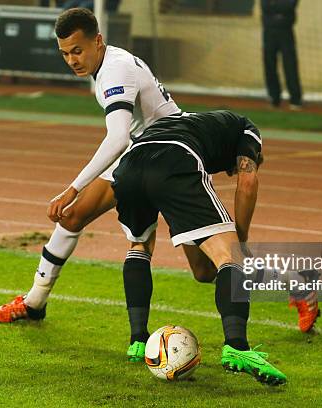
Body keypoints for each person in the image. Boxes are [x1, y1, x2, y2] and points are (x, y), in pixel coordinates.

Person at [0, 8, 182, 363]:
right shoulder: (107, 65)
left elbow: (118, 136)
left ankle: (295, 288)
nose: (72, 60)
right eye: (65, 53)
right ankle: (34, 303)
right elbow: (126, 139)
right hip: (140, 155)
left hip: (171, 157)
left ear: (97, 41)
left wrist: (73, 186)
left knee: (206, 265)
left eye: (77, 50)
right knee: (72, 217)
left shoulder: (114, 71)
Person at [111, 110, 290, 385]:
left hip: (129, 166)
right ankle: (238, 347)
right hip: (175, 161)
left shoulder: (194, 124)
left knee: (140, 245)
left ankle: (137, 341)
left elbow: (202, 272)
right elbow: (248, 181)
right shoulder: (247, 130)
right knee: (231, 257)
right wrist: (239, 243)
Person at [261, 0, 303, 109]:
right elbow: (265, 6)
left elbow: (289, 6)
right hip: (269, 32)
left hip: (286, 32)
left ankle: (295, 99)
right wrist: (279, 12)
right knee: (269, 65)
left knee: (290, 65)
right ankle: (274, 98)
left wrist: (274, 7)